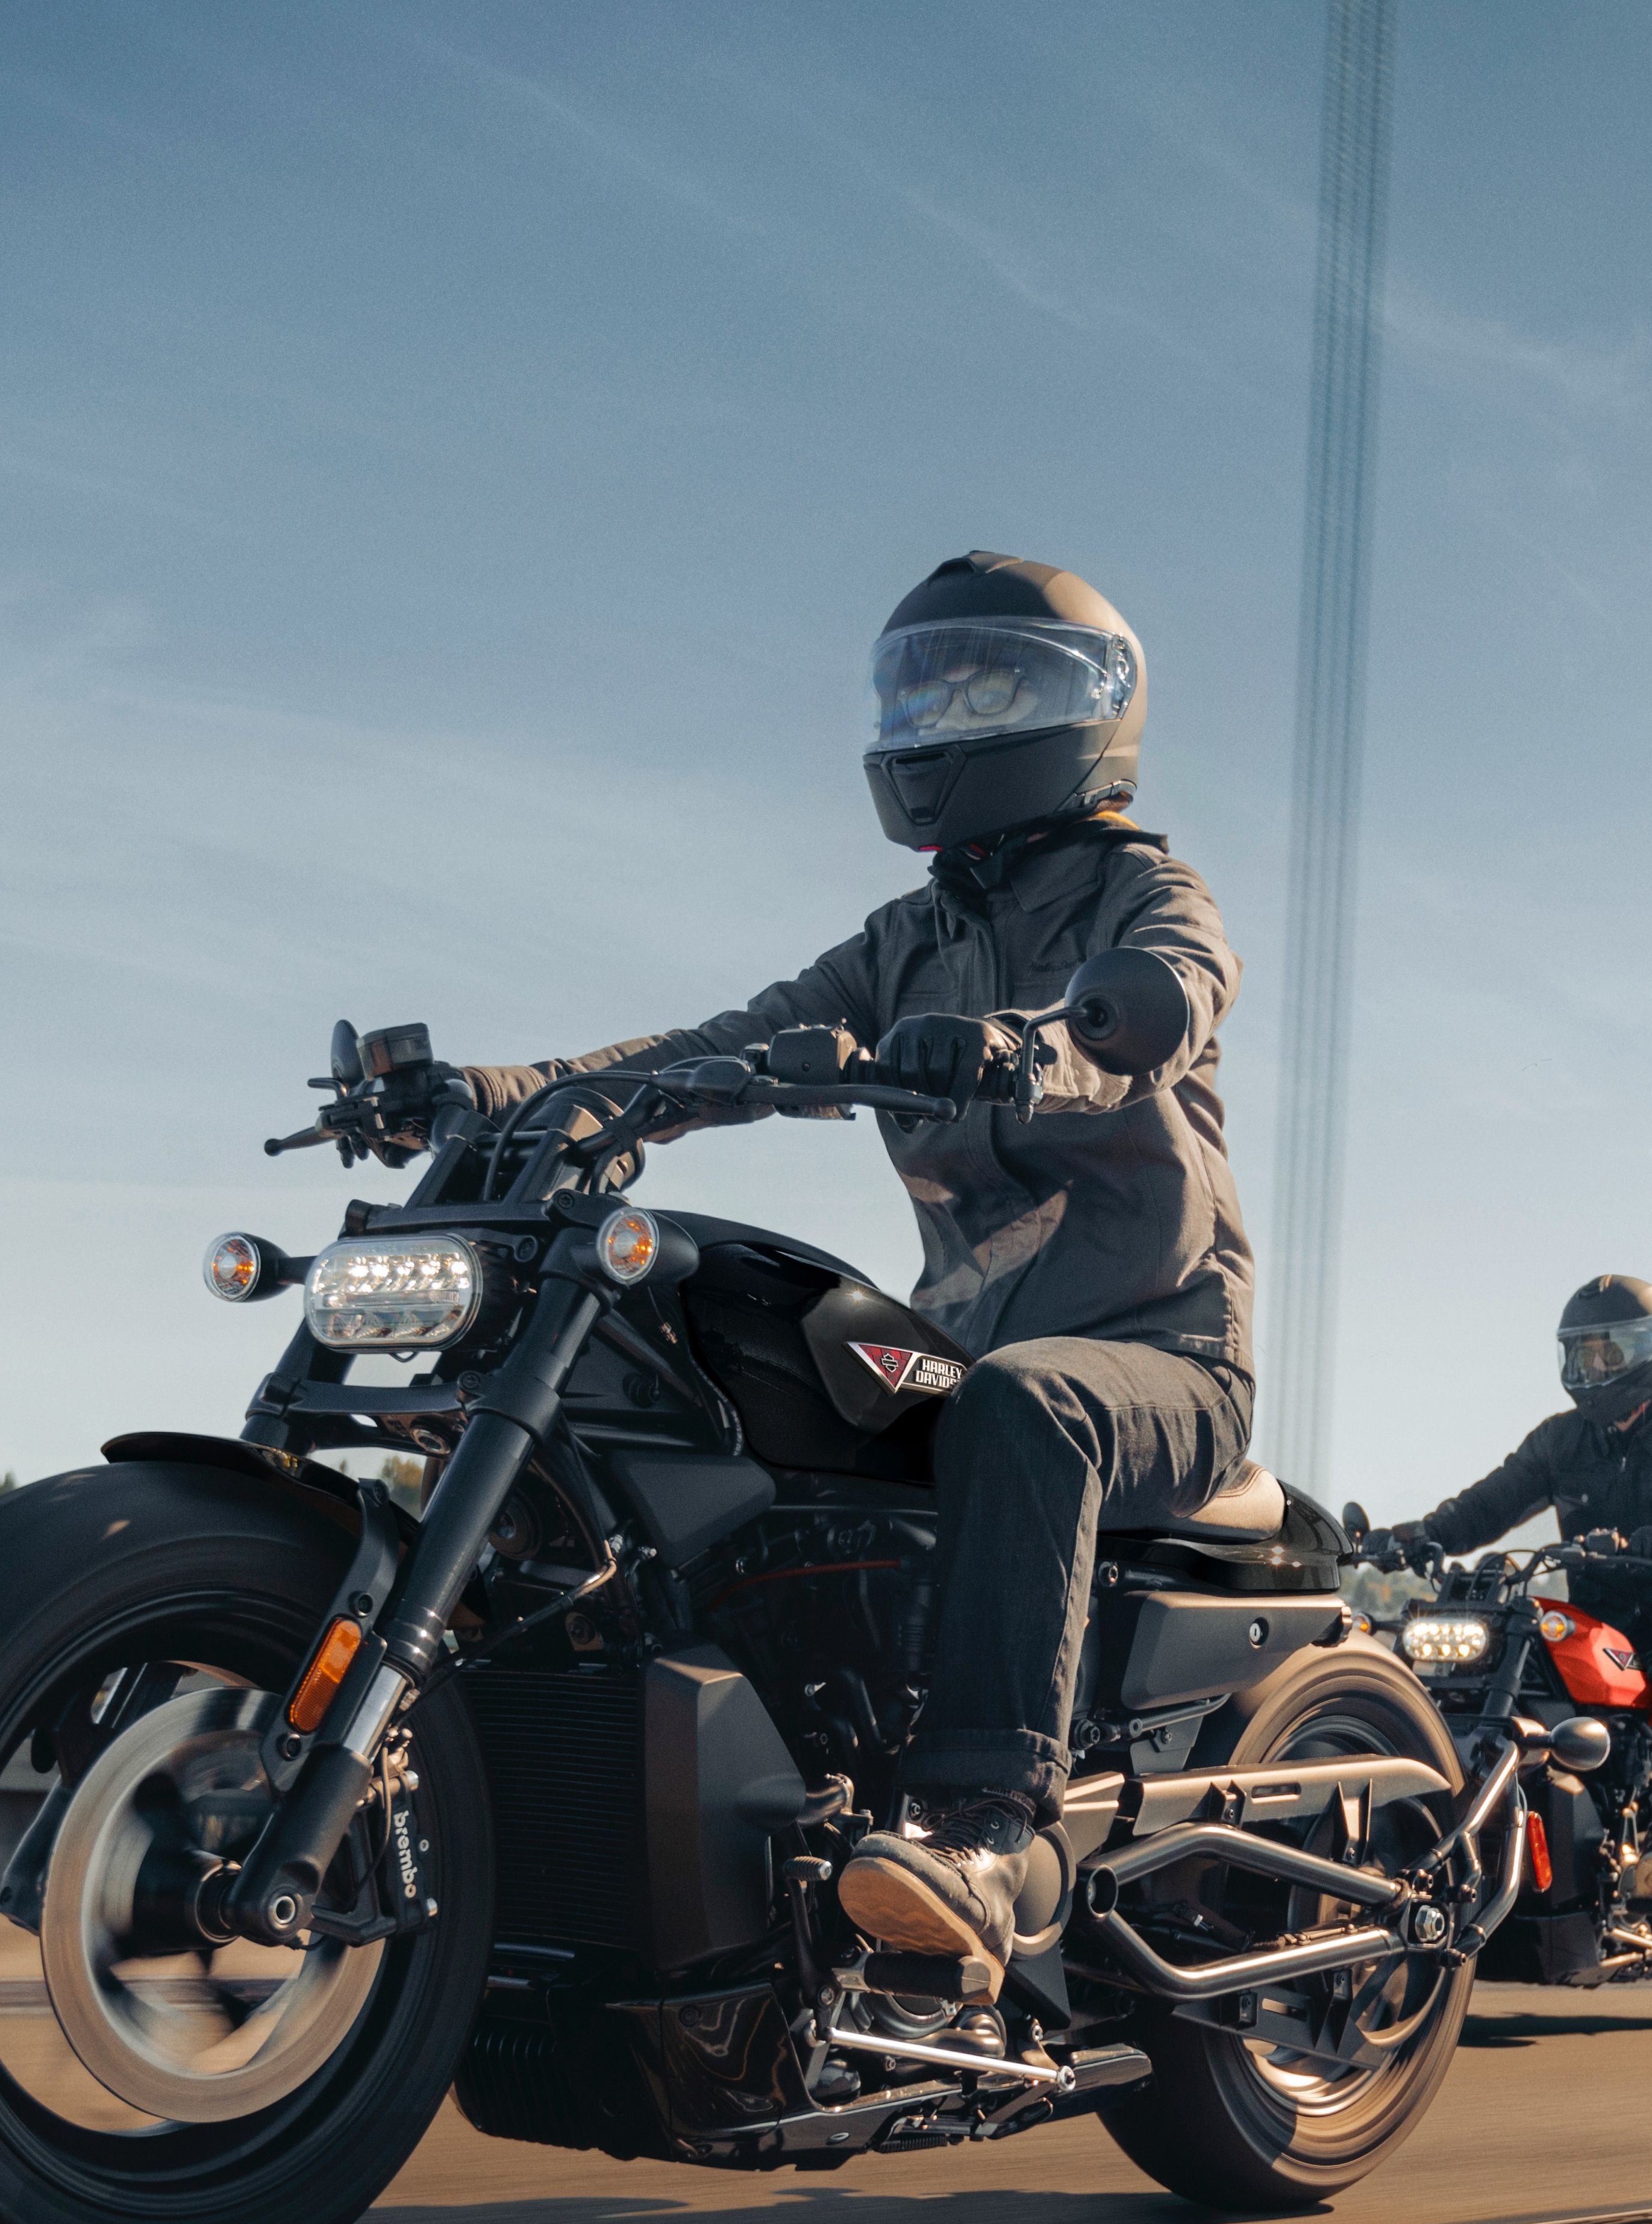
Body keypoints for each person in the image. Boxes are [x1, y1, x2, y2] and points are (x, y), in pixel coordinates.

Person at [454, 551, 1250, 1980]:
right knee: (755, 1397)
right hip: (963, 1349)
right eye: (925, 685)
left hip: (1161, 1361)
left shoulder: (1147, 892)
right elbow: (722, 1047)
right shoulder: (906, 942)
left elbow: (1170, 998)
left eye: (985, 683)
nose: (947, 714)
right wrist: (517, 1090)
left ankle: (980, 1832)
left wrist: (1037, 1042)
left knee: (1024, 1401)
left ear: (1086, 710)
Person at [1381, 1276, 1652, 1901]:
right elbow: (1487, 1505)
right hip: (1599, 1625)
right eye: (1581, 1352)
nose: (1593, 1367)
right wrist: (1416, 1535)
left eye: (1608, 1352)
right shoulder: (1561, 1442)